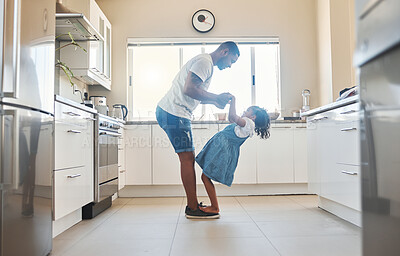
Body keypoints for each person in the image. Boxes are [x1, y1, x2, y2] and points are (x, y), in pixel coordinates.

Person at [156, 41, 240, 219]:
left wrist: (215, 101)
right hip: (175, 112)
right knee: (187, 159)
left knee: (187, 158)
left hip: (173, 111)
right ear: (225, 51)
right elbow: (189, 89)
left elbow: (195, 93)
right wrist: (216, 96)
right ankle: (192, 208)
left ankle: (192, 205)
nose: (230, 66)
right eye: (232, 60)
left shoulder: (206, 63)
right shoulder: (205, 63)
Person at [196, 95, 271, 215]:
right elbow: (232, 120)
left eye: (247, 111)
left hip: (222, 151)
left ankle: (215, 207)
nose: (244, 112)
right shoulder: (246, 124)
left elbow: (232, 117)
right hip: (221, 149)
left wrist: (233, 100)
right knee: (205, 176)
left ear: (253, 116)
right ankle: (214, 206)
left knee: (205, 177)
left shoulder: (248, 123)